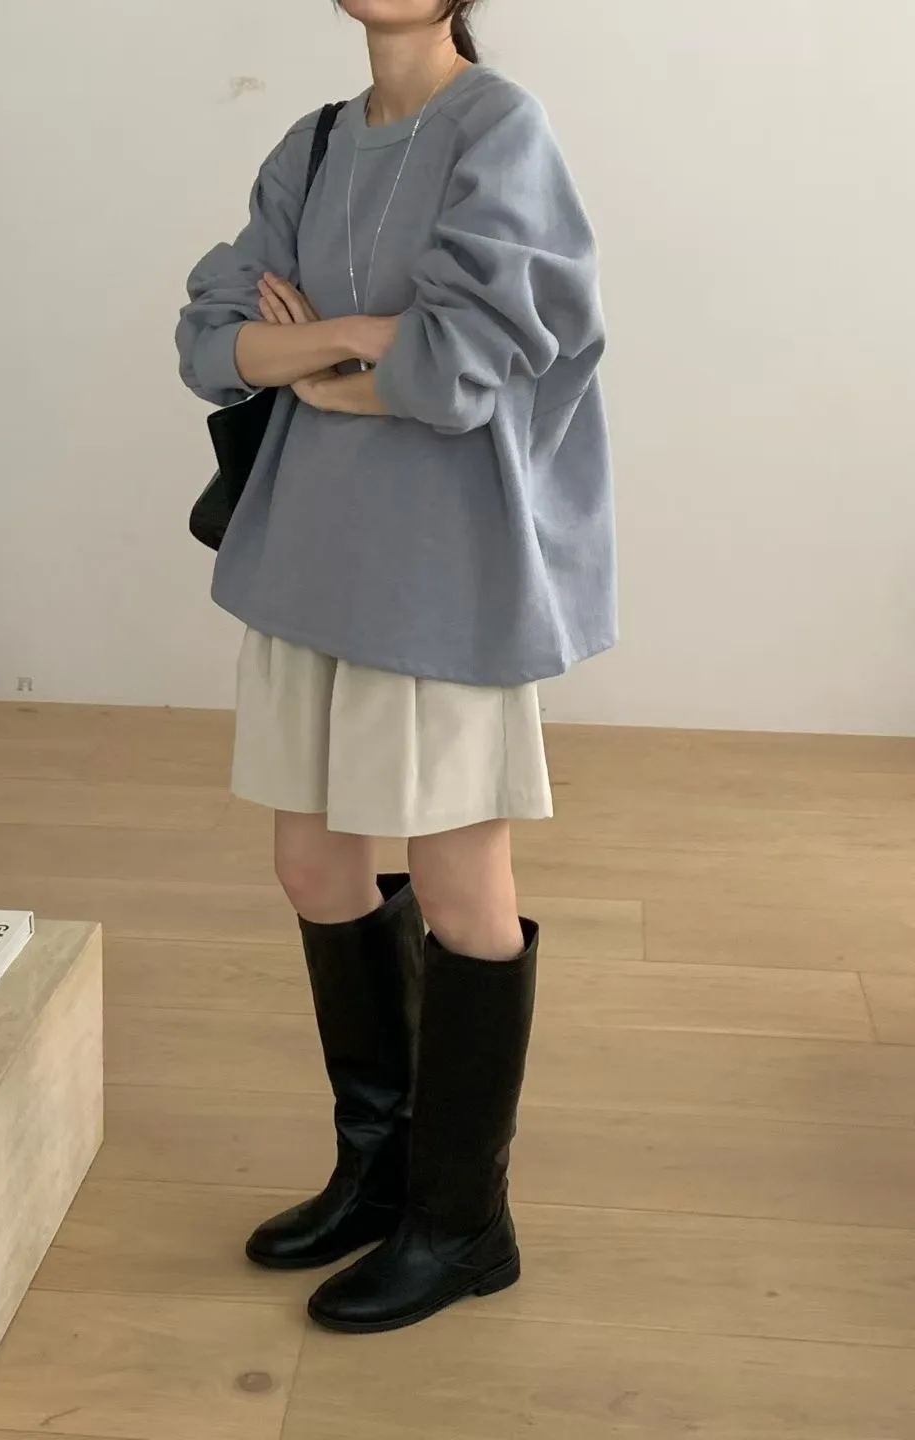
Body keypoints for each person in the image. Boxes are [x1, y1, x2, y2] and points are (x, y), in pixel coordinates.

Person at [175, 0, 613, 1334]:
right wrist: (356, 344)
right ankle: (379, 1170)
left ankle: (462, 1220)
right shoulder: (312, 146)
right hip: (307, 562)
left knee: (462, 885)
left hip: (445, 569)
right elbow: (210, 341)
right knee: (315, 868)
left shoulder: (501, 129)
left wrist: (335, 347)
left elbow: (471, 364)